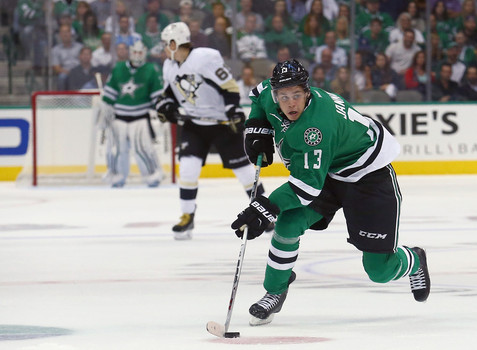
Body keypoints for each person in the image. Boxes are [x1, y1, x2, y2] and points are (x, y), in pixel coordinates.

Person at [231, 59, 430, 326]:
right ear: (276, 94)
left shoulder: (316, 129)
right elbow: (257, 93)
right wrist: (256, 127)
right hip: (326, 171)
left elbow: (306, 188)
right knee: (289, 223)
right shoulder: (272, 92)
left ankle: (413, 259)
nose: (291, 103)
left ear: (307, 92)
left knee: (379, 270)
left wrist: (263, 208)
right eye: (284, 96)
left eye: (297, 95)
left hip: (367, 177)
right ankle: (275, 290)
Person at [157, 22, 270, 240]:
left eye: (165, 43)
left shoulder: (204, 58)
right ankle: (187, 215)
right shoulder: (169, 66)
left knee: (245, 172)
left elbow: (229, 87)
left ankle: (266, 213)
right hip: (194, 124)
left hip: (222, 124)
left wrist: (233, 110)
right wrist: (166, 106)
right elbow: (170, 93)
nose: (163, 47)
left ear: (174, 42)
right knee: (188, 169)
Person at [101, 40, 164, 188]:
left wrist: (161, 113)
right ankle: (116, 176)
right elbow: (109, 95)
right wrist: (105, 114)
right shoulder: (119, 68)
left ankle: (152, 175)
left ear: (145, 53)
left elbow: (157, 96)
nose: (137, 55)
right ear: (130, 53)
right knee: (115, 149)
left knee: (143, 148)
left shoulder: (151, 69)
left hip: (140, 117)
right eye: (135, 52)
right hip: (119, 117)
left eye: (140, 52)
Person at [51, 24, 84, 90]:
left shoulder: (80, 47)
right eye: (63, 32)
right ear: (60, 34)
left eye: (67, 32)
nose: (65, 34)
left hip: (79, 71)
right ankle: (62, 98)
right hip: (65, 72)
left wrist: (76, 72)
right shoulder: (55, 49)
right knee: (62, 77)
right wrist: (70, 73)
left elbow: (85, 63)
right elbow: (56, 67)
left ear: (71, 33)